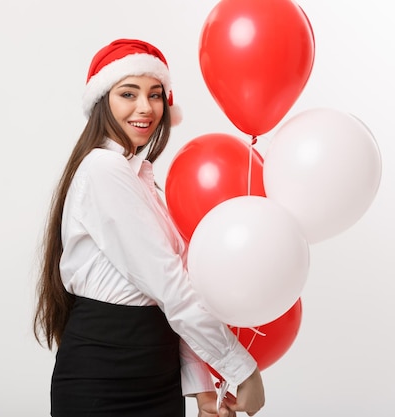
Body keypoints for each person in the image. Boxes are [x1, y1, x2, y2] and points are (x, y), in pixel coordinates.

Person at [33, 38, 265, 417]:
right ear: (103, 101)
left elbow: (169, 296)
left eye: (155, 95)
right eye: (129, 93)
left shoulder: (143, 182)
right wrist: (243, 370)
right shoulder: (103, 170)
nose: (145, 108)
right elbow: (170, 285)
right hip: (105, 377)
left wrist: (202, 390)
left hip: (156, 371)